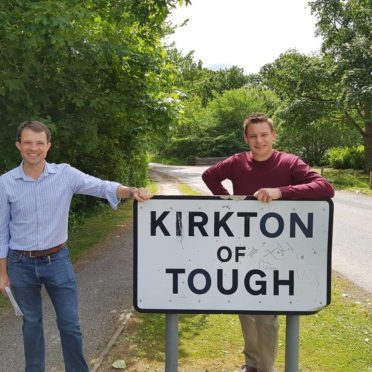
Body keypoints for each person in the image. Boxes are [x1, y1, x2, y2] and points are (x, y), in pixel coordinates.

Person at [0, 120, 151, 372]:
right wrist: (2, 272)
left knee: (69, 324)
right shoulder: (5, 183)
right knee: (31, 323)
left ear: (48, 146)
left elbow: (101, 186)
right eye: (27, 142)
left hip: (57, 260)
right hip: (20, 264)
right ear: (18, 145)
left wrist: (133, 190)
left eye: (39, 143)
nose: (33, 148)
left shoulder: (65, 174)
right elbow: (1, 230)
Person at [202, 113, 334, 372]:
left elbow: (325, 188)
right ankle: (251, 364)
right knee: (245, 310)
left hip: (277, 250)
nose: (259, 141)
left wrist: (281, 192)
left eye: (264, 135)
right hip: (243, 247)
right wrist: (230, 205)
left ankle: (266, 368)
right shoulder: (237, 162)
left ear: (273, 135)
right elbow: (209, 176)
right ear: (246, 138)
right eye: (253, 136)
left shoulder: (289, 162)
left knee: (266, 315)